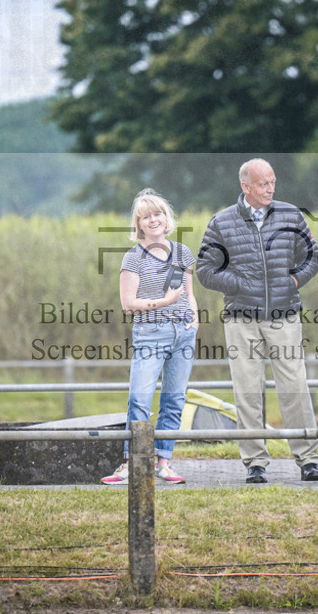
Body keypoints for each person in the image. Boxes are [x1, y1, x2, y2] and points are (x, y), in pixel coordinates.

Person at [197, 158, 318, 484]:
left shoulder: (290, 215)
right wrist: (239, 284)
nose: (270, 188)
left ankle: (308, 459)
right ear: (246, 186)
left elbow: (313, 255)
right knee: (248, 390)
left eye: (272, 182)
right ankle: (255, 462)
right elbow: (205, 271)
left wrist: (294, 281)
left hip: (284, 315)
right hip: (241, 319)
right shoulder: (221, 222)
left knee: (294, 386)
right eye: (263, 183)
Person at [101, 189, 199, 485]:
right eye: (147, 216)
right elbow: (128, 304)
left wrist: (195, 318)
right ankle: (132, 462)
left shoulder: (182, 252)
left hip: (183, 335)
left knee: (175, 399)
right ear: (139, 224)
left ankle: (163, 462)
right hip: (150, 333)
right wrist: (164, 303)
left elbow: (190, 293)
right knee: (140, 398)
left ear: (166, 218)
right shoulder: (133, 258)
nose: (154, 220)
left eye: (158, 214)